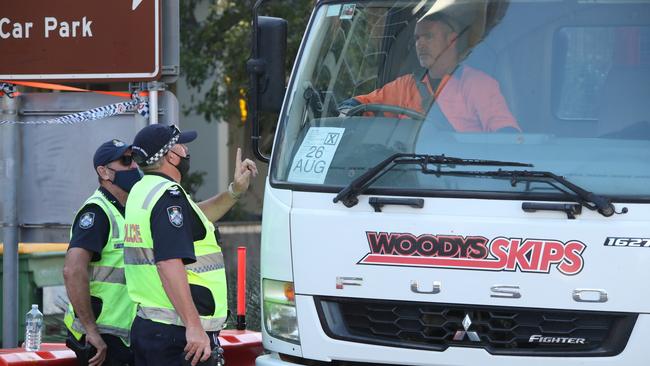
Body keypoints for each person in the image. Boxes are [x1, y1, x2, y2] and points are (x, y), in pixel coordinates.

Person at [123, 124, 258, 366]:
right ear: (171, 156)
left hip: (154, 327)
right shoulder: (168, 196)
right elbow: (168, 264)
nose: (187, 150)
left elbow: (196, 217)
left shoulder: (143, 191)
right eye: (182, 146)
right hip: (179, 333)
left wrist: (235, 191)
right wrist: (194, 326)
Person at [339, 12, 521, 133]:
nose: (420, 44)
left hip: (461, 181)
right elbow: (364, 104)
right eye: (417, 38)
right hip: (408, 176)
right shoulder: (406, 85)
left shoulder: (478, 84)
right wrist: (346, 109)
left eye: (429, 36)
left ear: (452, 40)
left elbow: (505, 136)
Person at [63, 139, 142, 366]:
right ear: (104, 172)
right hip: (101, 338)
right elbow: (72, 270)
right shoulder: (97, 213)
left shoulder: (129, 209)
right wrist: (91, 330)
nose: (133, 166)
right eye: (125, 161)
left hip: (124, 335)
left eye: (134, 159)